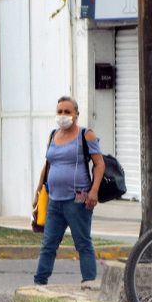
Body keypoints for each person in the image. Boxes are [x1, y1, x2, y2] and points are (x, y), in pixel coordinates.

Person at [33, 96, 105, 285]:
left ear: (76, 114)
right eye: (60, 112)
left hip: (78, 200)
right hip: (54, 200)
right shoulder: (53, 135)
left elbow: (99, 164)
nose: (63, 115)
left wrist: (94, 191)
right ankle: (40, 282)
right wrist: (39, 191)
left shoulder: (85, 135)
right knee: (48, 244)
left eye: (67, 112)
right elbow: (47, 165)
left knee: (82, 243)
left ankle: (89, 283)